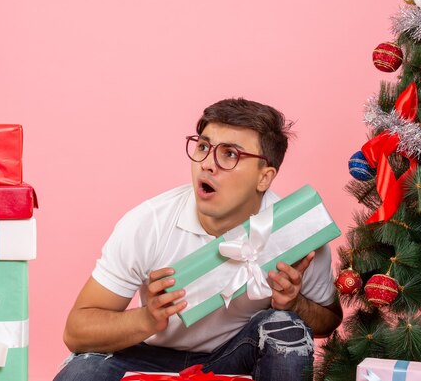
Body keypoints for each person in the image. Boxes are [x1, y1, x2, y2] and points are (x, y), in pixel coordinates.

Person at [53, 98, 342, 381]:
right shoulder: (149, 222)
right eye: (203, 147)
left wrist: (294, 304)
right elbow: (77, 331)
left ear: (264, 178)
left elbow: (328, 321)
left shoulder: (295, 231)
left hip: (236, 354)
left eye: (230, 154)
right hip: (149, 354)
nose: (207, 164)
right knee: (83, 370)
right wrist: (148, 318)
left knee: (286, 328)